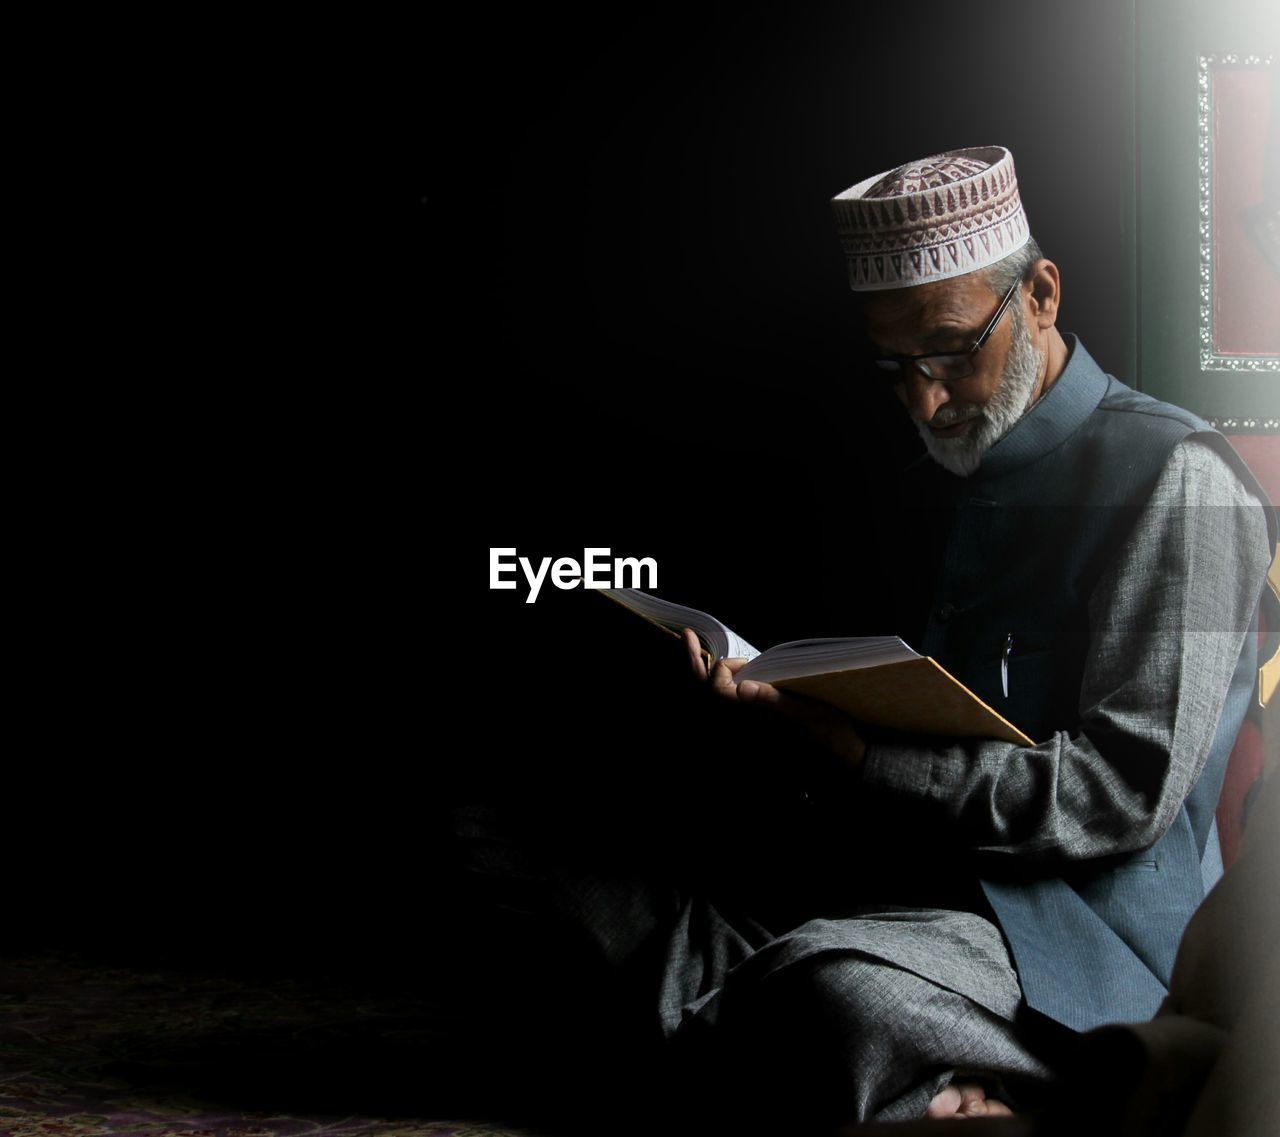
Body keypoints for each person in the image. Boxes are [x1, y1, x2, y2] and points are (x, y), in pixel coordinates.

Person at [453, 145, 1276, 1130]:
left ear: (1041, 294)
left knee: (831, 992)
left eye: (948, 353)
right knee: (510, 859)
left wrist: (859, 756)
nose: (922, 400)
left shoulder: (1178, 477)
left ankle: (934, 1065)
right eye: (892, 367)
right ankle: (845, 1063)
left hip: (1068, 932)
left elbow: (1122, 794)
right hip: (885, 886)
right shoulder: (939, 467)